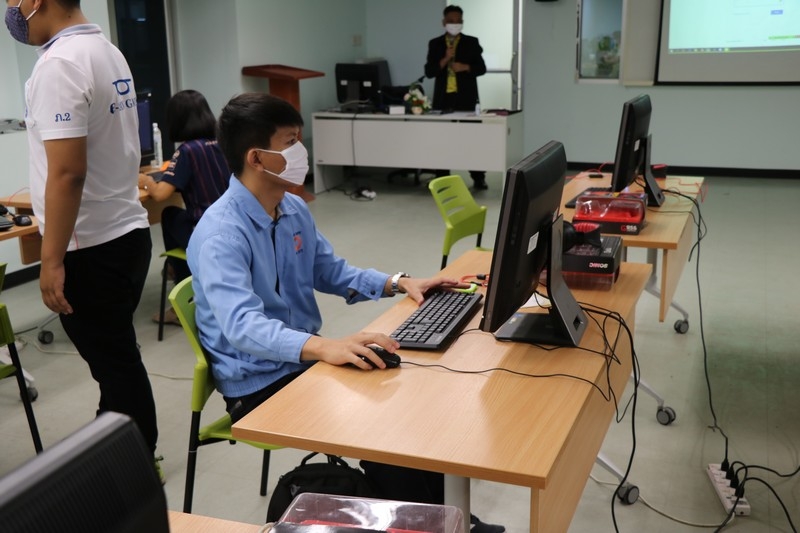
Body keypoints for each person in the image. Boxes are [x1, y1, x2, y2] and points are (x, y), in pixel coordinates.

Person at [187, 93, 504, 533]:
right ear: (257, 158)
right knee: (379, 422)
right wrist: (325, 348)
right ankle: (434, 524)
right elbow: (242, 327)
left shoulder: (291, 208)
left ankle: (451, 521)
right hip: (257, 382)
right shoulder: (221, 235)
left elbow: (329, 271)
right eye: (290, 142)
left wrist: (399, 282)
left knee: (406, 399)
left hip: (303, 361)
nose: (301, 151)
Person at [5, 0, 160, 476]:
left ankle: (131, 466)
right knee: (119, 359)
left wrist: (51, 261)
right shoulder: (106, 51)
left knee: (115, 366)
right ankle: (125, 453)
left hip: (89, 246)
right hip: (127, 232)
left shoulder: (59, 65)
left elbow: (67, 173)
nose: (10, 10)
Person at [137, 89, 230, 325]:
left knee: (169, 213)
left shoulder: (186, 151)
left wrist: (146, 181)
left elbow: (161, 194)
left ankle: (180, 293)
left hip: (205, 231)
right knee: (174, 213)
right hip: (231, 225)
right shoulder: (223, 143)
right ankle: (173, 268)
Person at [424, 4, 488, 190]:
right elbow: (429, 72)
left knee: (471, 140)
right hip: (443, 99)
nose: (455, 24)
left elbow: (481, 68)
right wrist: (444, 59)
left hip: (466, 99)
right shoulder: (435, 44)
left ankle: (478, 177)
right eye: (451, 21)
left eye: (458, 21)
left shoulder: (471, 42)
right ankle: (442, 179)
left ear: (462, 22)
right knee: (442, 140)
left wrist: (466, 67)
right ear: (444, 22)